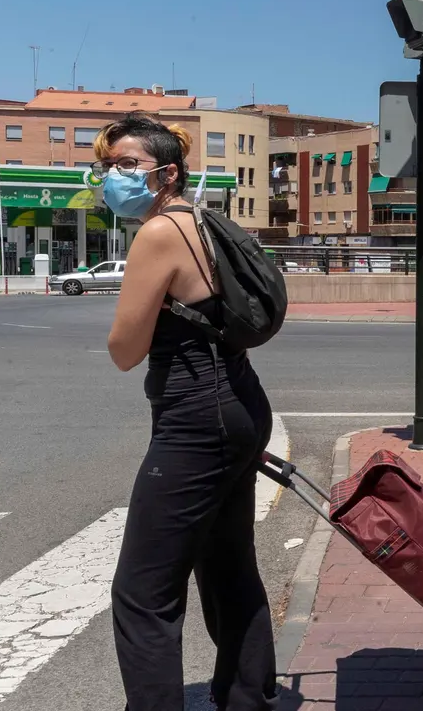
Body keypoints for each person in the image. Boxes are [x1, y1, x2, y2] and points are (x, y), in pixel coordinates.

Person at [98, 113, 275, 711]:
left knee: (143, 594)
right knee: (228, 568)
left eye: (127, 165)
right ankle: (248, 698)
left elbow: (125, 350)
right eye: (107, 166)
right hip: (239, 403)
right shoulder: (202, 220)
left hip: (196, 421)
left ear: (166, 173)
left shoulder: (155, 235)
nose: (112, 177)